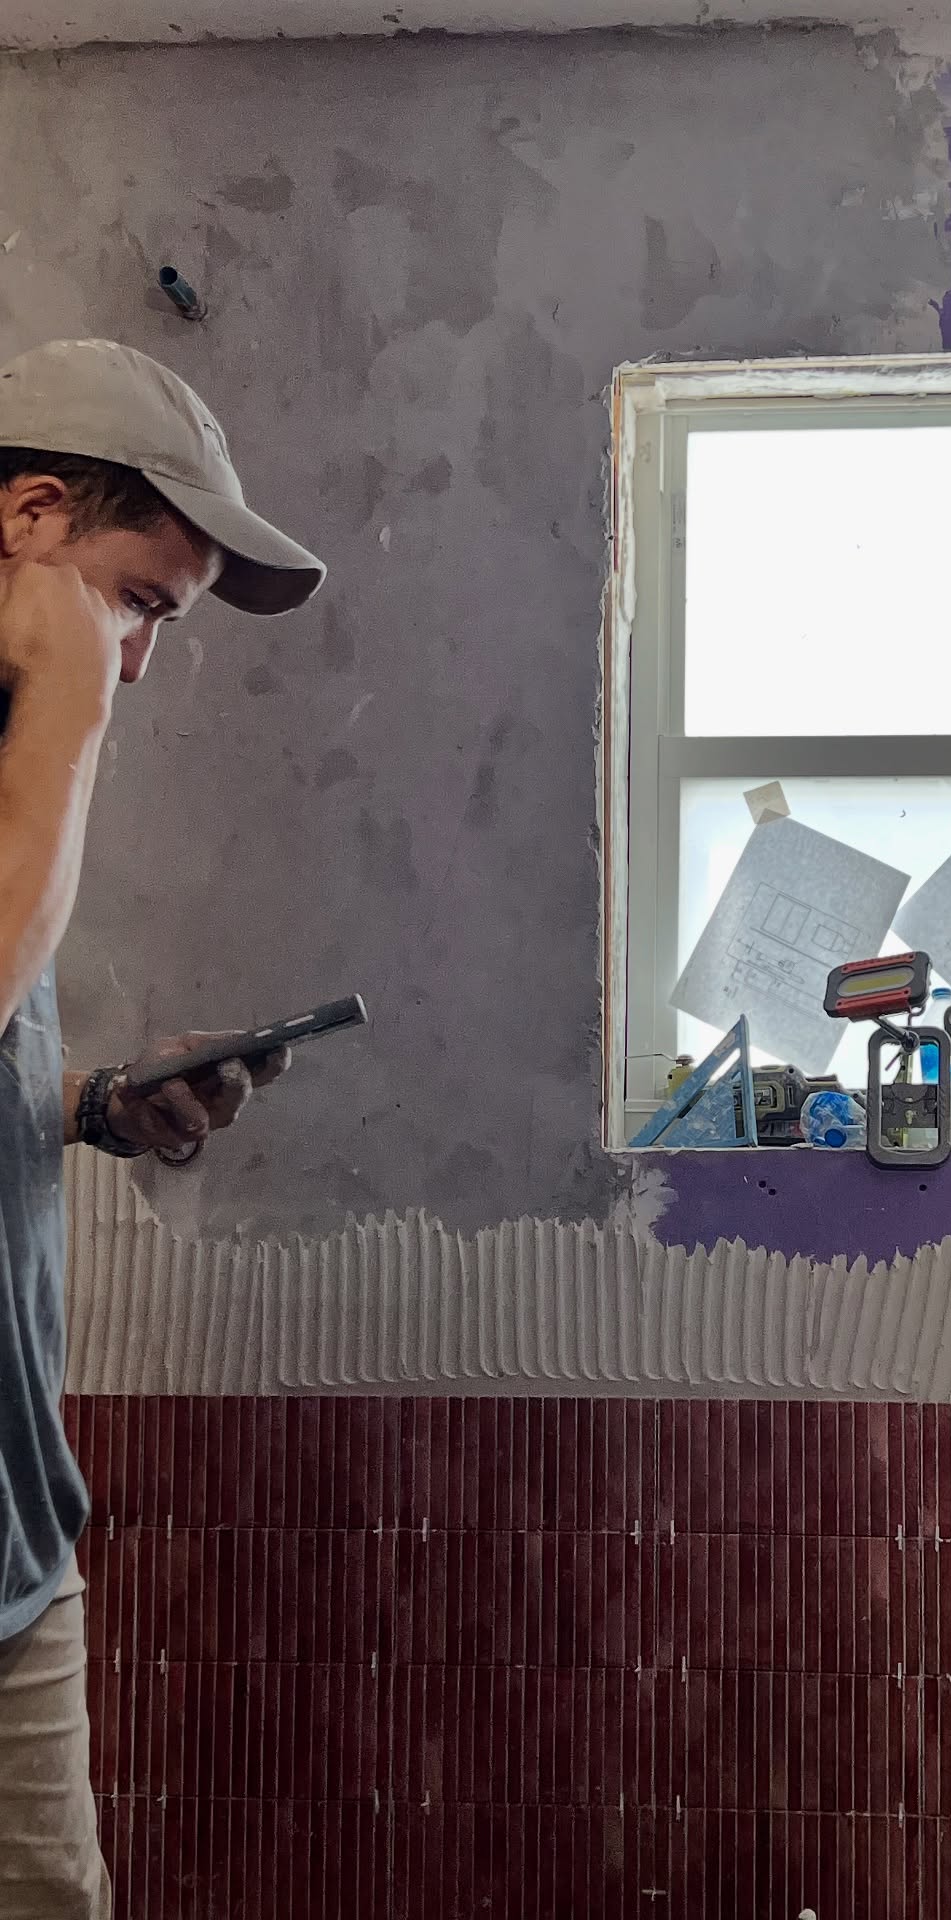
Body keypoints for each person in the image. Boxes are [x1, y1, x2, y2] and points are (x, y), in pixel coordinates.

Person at [0, 339, 325, 1918]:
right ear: (30, 517)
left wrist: (95, 1108)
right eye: (139, 606)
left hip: (16, 1555)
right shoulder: (43, 757)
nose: (134, 664)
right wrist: (67, 715)